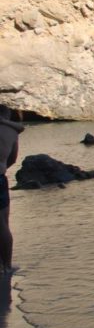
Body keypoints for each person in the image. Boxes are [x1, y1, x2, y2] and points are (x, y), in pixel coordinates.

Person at [0, 104, 25, 276]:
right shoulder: (12, 132)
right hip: (0, 178)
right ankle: (6, 266)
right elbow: (12, 160)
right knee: (4, 223)